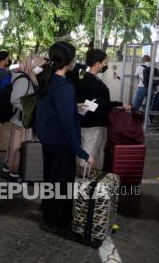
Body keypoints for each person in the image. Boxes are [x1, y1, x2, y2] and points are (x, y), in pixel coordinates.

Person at [36, 42, 93, 234]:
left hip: (48, 138)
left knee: (51, 178)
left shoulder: (48, 79)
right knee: (61, 184)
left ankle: (47, 211)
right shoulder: (65, 87)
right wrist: (81, 152)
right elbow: (68, 123)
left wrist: (72, 108)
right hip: (61, 142)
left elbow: (51, 109)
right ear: (70, 61)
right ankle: (55, 221)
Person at [78, 49, 131, 170]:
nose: (106, 65)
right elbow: (100, 103)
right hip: (92, 123)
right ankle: (84, 179)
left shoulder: (91, 78)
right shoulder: (90, 80)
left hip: (92, 121)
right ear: (97, 63)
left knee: (90, 150)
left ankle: (85, 176)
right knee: (88, 152)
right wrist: (120, 104)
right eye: (105, 62)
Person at [3, 54, 46, 182]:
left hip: (21, 119)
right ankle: (15, 171)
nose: (40, 69)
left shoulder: (28, 77)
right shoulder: (24, 79)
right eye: (38, 66)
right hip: (21, 120)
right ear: (31, 65)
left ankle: (12, 167)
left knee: (16, 145)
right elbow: (15, 99)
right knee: (18, 147)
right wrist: (29, 110)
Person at [0, 51, 12, 152]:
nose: (9, 60)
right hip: (4, 101)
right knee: (6, 124)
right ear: (2, 60)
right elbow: (8, 87)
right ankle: (3, 146)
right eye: (8, 58)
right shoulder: (4, 73)